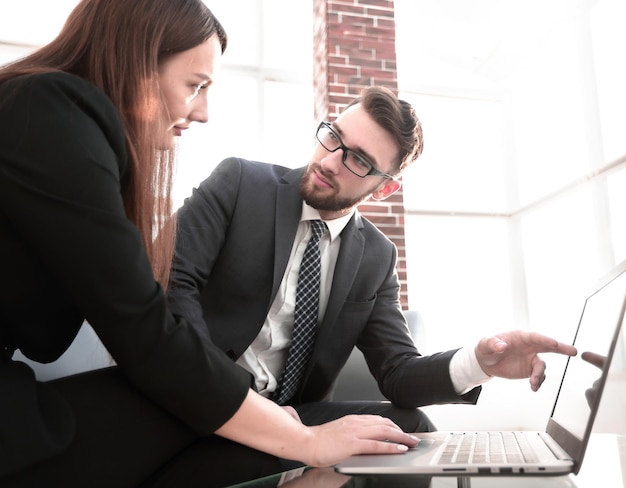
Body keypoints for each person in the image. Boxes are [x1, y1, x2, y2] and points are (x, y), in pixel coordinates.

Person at [0, 1, 421, 487]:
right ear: (138, 63)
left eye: (360, 161)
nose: (202, 111)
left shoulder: (63, 125)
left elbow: (68, 326)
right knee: (193, 413)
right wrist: (306, 442)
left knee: (401, 433)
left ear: (384, 185)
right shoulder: (51, 110)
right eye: (194, 85)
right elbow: (145, 325)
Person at [167, 85, 578, 472]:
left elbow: (397, 371)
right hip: (200, 395)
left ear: (384, 190)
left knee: (409, 430)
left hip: (294, 412)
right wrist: (254, 410)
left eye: (359, 160)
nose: (329, 161)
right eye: (333, 136)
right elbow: (174, 285)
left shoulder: (376, 256)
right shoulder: (240, 183)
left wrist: (477, 362)